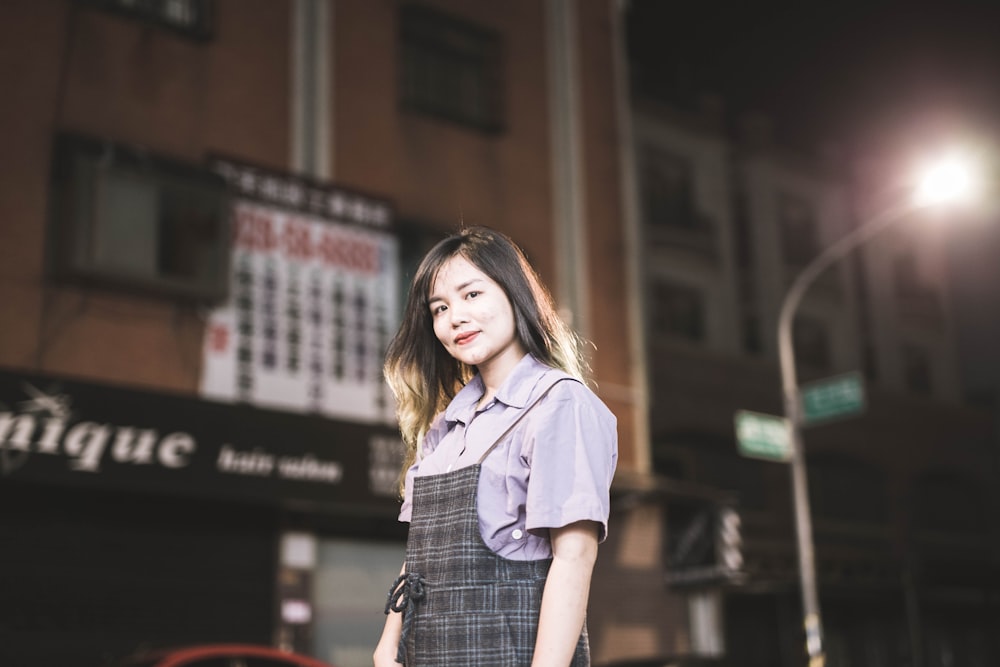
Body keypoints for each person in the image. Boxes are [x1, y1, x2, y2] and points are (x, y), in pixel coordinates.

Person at [373, 226, 618, 667]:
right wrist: (387, 645)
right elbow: (419, 560)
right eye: (440, 308)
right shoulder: (444, 428)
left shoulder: (559, 402)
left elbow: (575, 555)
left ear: (513, 292)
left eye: (471, 295)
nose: (455, 318)